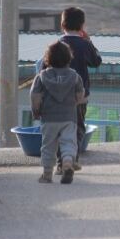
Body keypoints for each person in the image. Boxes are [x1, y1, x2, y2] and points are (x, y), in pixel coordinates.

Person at [35, 7, 102, 173]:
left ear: (62, 24)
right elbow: (96, 61)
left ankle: (60, 164)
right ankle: (71, 159)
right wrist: (90, 41)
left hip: (55, 99)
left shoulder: (56, 46)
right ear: (82, 26)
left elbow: (42, 68)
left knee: (58, 131)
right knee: (77, 128)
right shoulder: (85, 45)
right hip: (79, 97)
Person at [30, 41, 85, 184]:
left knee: (48, 146)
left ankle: (47, 175)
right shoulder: (74, 76)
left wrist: (36, 111)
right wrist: (75, 102)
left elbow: (34, 96)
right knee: (68, 143)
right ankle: (67, 163)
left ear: (47, 59)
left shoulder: (41, 77)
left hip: (49, 118)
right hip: (68, 117)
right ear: (69, 58)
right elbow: (80, 95)